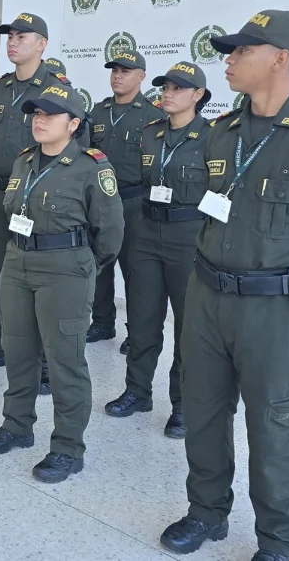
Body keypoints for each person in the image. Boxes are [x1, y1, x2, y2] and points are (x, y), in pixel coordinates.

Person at [157, 10, 289, 561]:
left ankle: (279, 540)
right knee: (203, 410)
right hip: (207, 296)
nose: (228, 61)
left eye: (241, 51)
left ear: (280, 58)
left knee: (276, 425)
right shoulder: (223, 131)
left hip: (276, 308)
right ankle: (206, 512)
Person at [0, 83, 124, 483]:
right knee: (17, 350)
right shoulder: (24, 161)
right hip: (18, 261)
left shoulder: (92, 167)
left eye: (50, 114)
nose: (39, 120)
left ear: (73, 124)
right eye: (36, 113)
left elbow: (110, 232)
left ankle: (67, 448)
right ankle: (16, 426)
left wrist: (82, 267)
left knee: (64, 361)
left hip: (65, 268)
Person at [0, 13, 72, 371]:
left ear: (42, 44)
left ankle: (45, 359)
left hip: (37, 199)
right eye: (10, 37)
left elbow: (69, 150)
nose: (13, 42)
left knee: (39, 277)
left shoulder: (57, 91)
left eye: (22, 37)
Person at [104, 61, 210, 438]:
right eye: (165, 87)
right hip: (147, 231)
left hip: (189, 236)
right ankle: (137, 391)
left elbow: (224, 193)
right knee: (142, 317)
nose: (168, 94)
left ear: (198, 95)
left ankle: (182, 404)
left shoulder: (213, 137)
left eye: (178, 89)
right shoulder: (151, 133)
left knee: (188, 326)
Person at [87, 49, 167, 351]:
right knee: (99, 263)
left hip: (134, 202)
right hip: (99, 201)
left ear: (142, 76)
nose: (117, 76)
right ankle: (102, 322)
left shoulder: (154, 116)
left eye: (125, 71)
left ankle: (137, 332)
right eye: (114, 70)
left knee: (137, 272)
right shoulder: (98, 112)